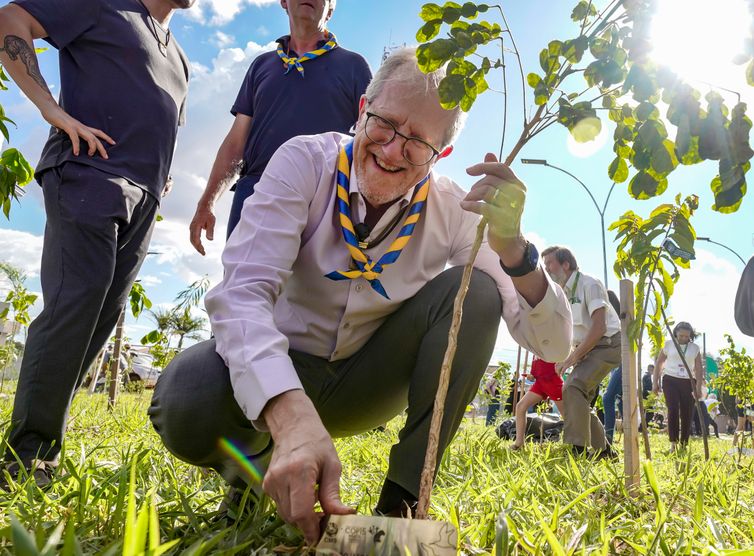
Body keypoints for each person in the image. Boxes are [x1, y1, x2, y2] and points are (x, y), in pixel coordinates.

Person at [149, 48, 572, 544]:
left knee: (474, 293)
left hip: (366, 381)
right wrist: (291, 418)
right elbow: (242, 295)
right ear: (361, 109)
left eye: (417, 142)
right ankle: (250, 481)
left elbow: (553, 348)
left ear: (443, 155)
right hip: (283, 368)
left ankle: (401, 508)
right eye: (385, 124)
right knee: (187, 397)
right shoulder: (304, 163)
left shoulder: (455, 210)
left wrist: (516, 252)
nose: (392, 151)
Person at [0, 0, 193, 487]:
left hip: (144, 197)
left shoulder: (181, 57)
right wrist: (52, 111)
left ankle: (42, 444)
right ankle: (25, 461)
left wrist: (161, 175)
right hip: (90, 171)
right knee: (75, 302)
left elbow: (164, 118)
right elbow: (10, 20)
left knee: (100, 318)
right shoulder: (104, 4)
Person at [189, 0, 372, 253]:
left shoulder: (354, 67)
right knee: (242, 287)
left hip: (322, 200)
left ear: (330, 9)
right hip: (255, 193)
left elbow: (370, 139)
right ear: (283, 2)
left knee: (311, 292)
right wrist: (206, 203)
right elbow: (235, 143)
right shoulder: (261, 66)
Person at [542, 246, 622, 457]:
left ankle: (576, 449)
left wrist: (571, 359)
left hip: (608, 344)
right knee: (578, 398)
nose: (546, 269)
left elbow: (599, 327)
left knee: (573, 387)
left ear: (565, 264)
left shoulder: (590, 284)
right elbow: (574, 331)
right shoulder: (562, 293)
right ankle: (604, 451)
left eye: (549, 263)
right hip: (588, 348)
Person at [653, 322, 704, 451]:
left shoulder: (695, 348)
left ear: (690, 336)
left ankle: (684, 443)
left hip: (688, 382)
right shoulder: (668, 345)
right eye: (681, 335)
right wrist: (655, 382)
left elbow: (698, 368)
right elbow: (659, 363)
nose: (683, 339)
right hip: (670, 380)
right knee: (673, 409)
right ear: (675, 333)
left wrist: (698, 388)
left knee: (687, 412)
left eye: (686, 336)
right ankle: (673, 443)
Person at [511, 357, 564, 449]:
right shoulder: (536, 349)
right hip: (540, 384)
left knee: (567, 415)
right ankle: (519, 444)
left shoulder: (553, 346)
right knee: (520, 407)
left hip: (553, 382)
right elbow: (537, 371)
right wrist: (531, 376)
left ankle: (574, 443)